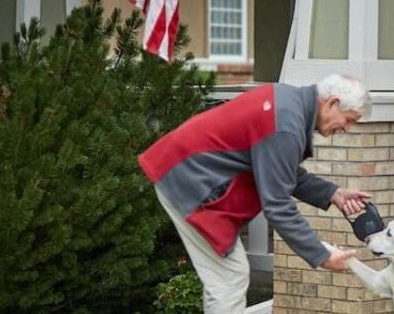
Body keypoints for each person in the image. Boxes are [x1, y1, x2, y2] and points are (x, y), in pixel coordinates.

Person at [139, 74, 373, 313]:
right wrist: (321, 254)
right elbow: (278, 206)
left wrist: (333, 193)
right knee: (229, 278)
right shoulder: (285, 125)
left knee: (229, 277)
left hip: (184, 171)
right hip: (190, 180)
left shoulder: (288, 103)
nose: (346, 128)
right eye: (348, 120)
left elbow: (280, 170)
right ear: (332, 103)